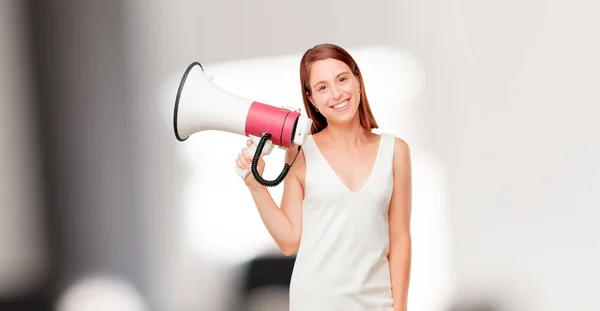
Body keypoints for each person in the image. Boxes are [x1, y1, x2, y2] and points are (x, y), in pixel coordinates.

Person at [235, 43, 412, 311]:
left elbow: (399, 238)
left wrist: (399, 308)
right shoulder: (300, 152)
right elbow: (289, 241)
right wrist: (254, 183)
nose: (337, 93)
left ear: (357, 81)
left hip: (376, 304)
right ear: (312, 99)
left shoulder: (395, 151)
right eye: (322, 87)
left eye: (342, 79)